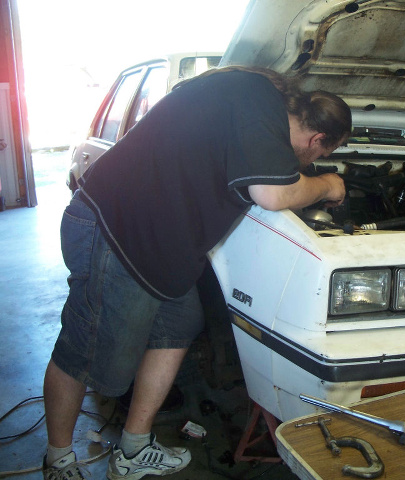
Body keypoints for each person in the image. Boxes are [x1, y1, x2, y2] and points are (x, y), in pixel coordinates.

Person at [42, 66, 351, 480]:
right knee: (86, 351)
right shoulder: (260, 102)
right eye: (323, 155)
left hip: (159, 243)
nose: (316, 161)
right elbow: (273, 193)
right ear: (317, 140)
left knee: (180, 322)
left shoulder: (258, 109)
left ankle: (133, 449)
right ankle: (58, 459)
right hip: (118, 231)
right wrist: (328, 184)